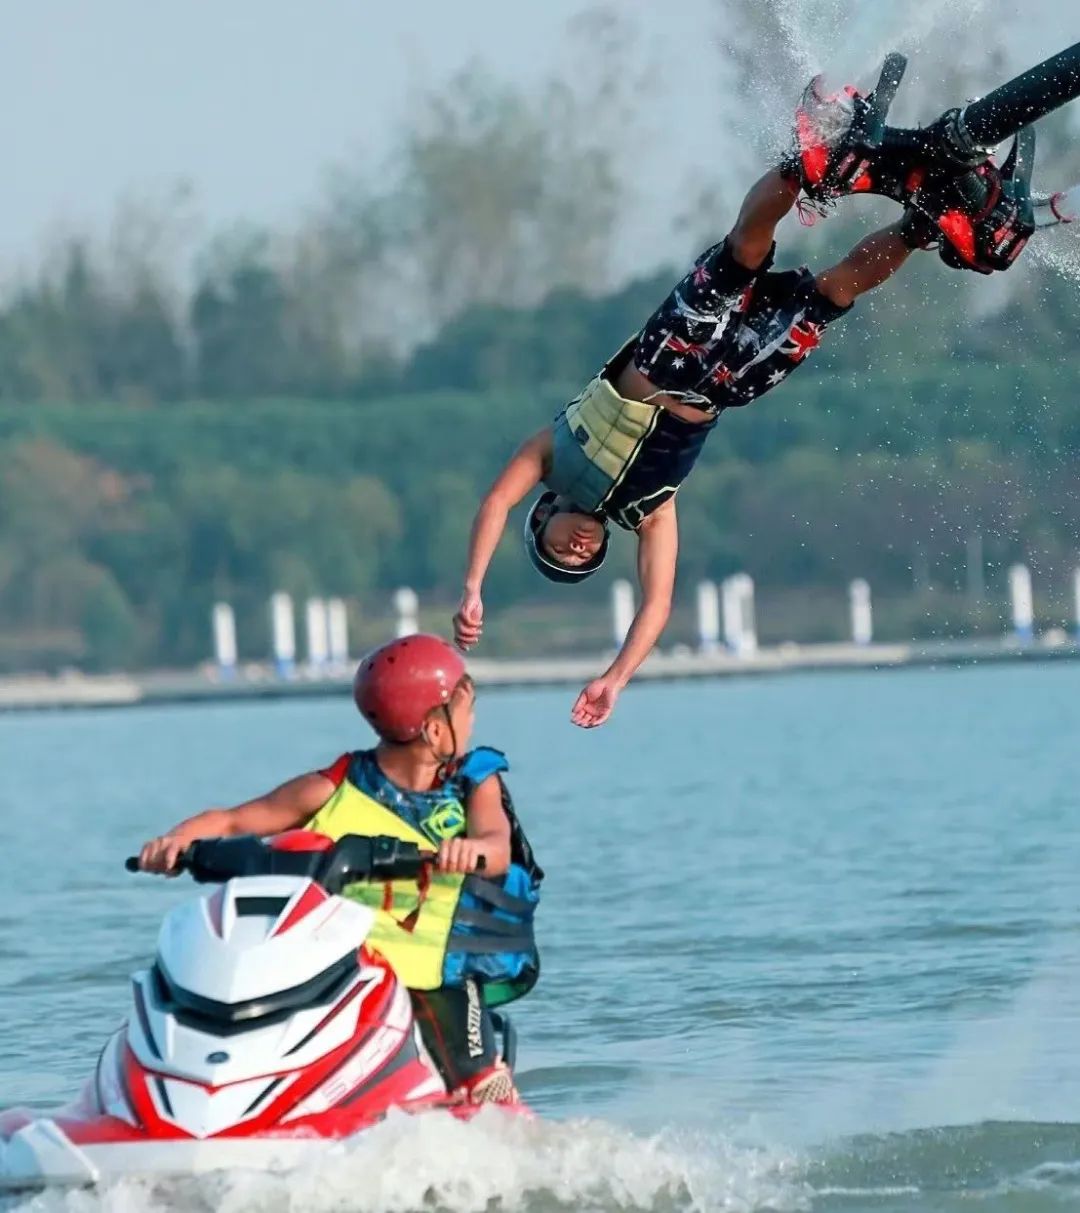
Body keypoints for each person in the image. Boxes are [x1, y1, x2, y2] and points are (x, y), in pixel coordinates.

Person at [452, 74, 1037, 729]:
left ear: (544, 522)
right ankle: (922, 225)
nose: (581, 548)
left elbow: (494, 502)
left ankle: (807, 163)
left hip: (668, 351)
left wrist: (474, 586)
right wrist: (616, 678)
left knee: (742, 254)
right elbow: (657, 605)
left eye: (563, 549)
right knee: (832, 295)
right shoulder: (650, 513)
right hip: (729, 384)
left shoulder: (552, 455)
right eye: (585, 559)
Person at [138, 633, 543, 1106]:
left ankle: (498, 1113)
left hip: (437, 972)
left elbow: (497, 847)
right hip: (346, 965)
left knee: (480, 1083)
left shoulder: (473, 782)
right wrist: (175, 842)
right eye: (467, 712)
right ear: (436, 731)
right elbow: (233, 819)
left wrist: (467, 851)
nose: (471, 724)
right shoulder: (337, 785)